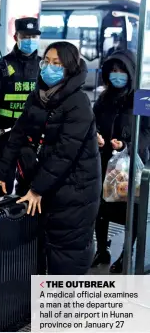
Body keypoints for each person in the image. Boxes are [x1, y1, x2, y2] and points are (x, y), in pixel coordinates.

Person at [0, 42, 101, 275]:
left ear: (69, 68)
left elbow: (64, 153)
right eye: (46, 62)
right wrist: (0, 173)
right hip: (47, 188)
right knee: (37, 253)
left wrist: (37, 189)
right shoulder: (39, 96)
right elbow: (18, 134)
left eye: (57, 64)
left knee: (66, 256)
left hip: (75, 193)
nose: (49, 68)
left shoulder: (78, 104)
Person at [92, 49, 150, 273]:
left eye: (121, 71)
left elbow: (147, 132)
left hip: (130, 166)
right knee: (101, 207)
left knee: (130, 211)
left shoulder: (143, 98)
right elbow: (94, 123)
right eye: (113, 71)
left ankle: (127, 253)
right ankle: (102, 250)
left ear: (131, 72)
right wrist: (96, 136)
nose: (117, 75)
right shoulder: (104, 98)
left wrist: (127, 146)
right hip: (105, 162)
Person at [0, 17, 41, 195]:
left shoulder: (43, 66)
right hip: (4, 136)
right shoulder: (1, 66)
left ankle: (25, 222)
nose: (29, 40)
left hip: (33, 138)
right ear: (16, 37)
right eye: (25, 36)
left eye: (33, 36)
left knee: (29, 187)